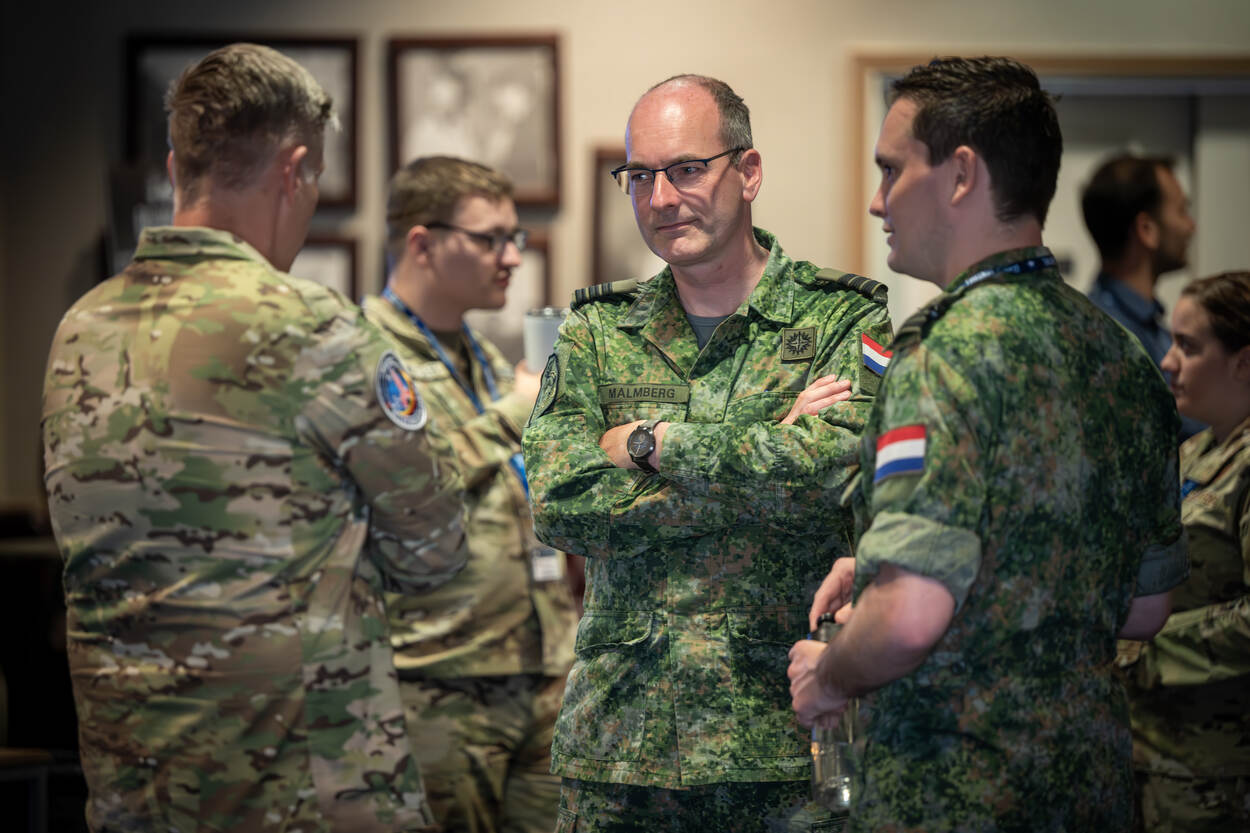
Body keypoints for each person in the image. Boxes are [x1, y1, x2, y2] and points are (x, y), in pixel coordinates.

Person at [41, 44, 466, 833]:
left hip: (136, 795)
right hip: (300, 794)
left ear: (179, 167)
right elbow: (434, 551)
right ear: (295, 171)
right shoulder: (310, 326)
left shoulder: (79, 329)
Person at [787, 56, 1188, 832]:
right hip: (1090, 788)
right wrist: (881, 567)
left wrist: (830, 674)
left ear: (962, 174)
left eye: (892, 169)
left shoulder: (942, 355)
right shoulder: (1123, 355)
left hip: (951, 791)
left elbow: (909, 616)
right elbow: (1145, 605)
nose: (877, 200)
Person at [521, 74, 893, 832]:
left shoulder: (841, 318)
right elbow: (559, 503)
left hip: (788, 742)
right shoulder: (597, 331)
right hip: (621, 751)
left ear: (747, 172)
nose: (660, 198)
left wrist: (649, 444)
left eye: (687, 169)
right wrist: (769, 447)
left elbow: (830, 470)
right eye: (640, 176)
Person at [362, 155, 581, 833]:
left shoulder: (483, 354)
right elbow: (401, 489)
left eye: (514, 237)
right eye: (490, 239)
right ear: (422, 243)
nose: (512, 256)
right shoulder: (365, 352)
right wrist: (517, 412)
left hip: (540, 665)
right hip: (442, 678)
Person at [1120, 270, 1250, 832]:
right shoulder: (1195, 451)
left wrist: (1146, 650)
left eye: (1188, 347)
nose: (1167, 362)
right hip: (1153, 759)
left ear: (1243, 362)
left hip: (1217, 778)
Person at [1082, 153, 1203, 437]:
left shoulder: (1147, 327)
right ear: (1146, 229)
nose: (1191, 226)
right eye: (1181, 211)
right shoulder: (1108, 335)